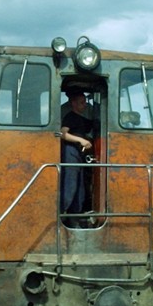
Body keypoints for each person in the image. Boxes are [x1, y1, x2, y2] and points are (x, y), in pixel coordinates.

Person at [60, 92, 93, 224]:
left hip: (78, 154)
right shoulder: (70, 117)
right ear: (73, 103)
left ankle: (74, 217)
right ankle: (61, 215)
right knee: (70, 185)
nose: (85, 105)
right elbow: (62, 133)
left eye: (85, 102)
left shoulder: (81, 119)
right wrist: (81, 140)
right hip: (70, 152)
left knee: (80, 188)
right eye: (81, 102)